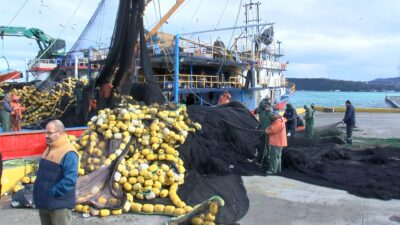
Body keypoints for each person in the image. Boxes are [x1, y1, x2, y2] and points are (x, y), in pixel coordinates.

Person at [33, 120, 78, 225]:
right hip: (46, 203)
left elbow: (70, 180)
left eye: (49, 133)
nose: (46, 136)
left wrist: (52, 192)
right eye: (46, 132)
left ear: (60, 133)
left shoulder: (69, 152)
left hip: (59, 205)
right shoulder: (49, 149)